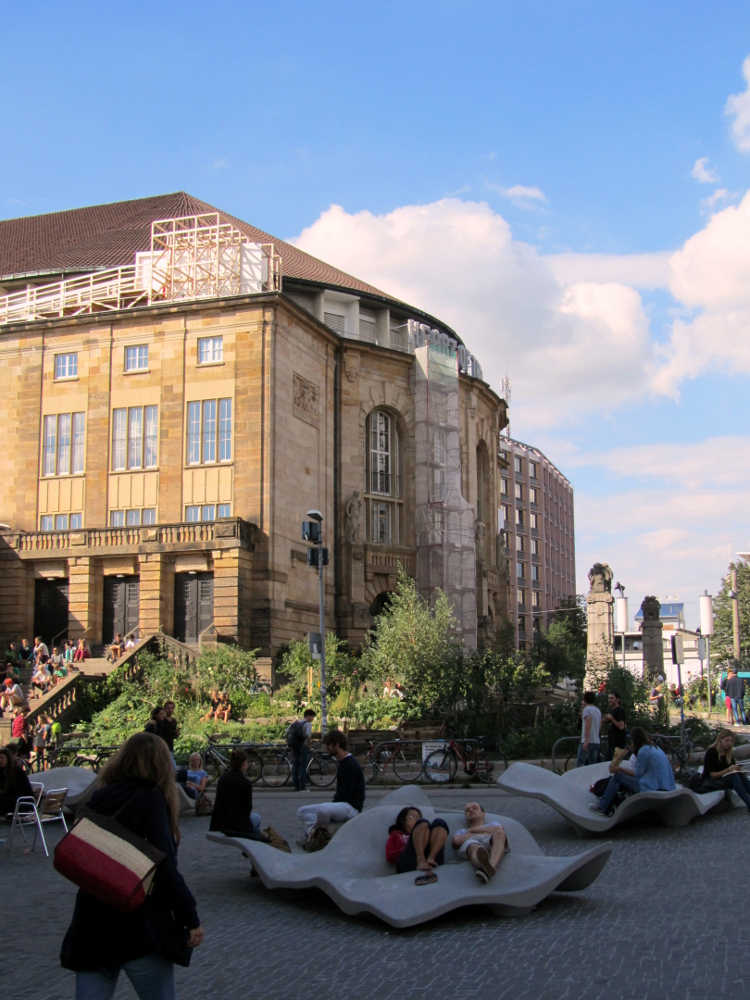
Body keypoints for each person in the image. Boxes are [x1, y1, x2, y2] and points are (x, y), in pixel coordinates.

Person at [60, 732, 203, 997]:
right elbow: (166, 867)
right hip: (138, 924)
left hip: (92, 921)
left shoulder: (100, 797)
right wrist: (189, 916)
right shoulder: (151, 799)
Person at [590, 726, 676, 815]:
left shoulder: (643, 751)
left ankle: (602, 807)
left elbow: (637, 774)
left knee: (617, 776)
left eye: (631, 741)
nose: (631, 744)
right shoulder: (656, 748)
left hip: (653, 788)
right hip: (668, 787)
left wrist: (620, 769)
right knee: (622, 776)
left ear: (635, 741)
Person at [297, 729, 365, 834]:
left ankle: (312, 832)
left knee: (323, 810)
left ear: (337, 745)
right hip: (342, 804)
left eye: (328, 745)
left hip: (351, 807)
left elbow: (344, 794)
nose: (326, 748)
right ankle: (321, 828)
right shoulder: (343, 762)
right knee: (301, 811)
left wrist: (332, 807)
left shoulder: (350, 764)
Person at [385, 806, 449, 885]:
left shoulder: (427, 832)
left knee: (440, 822)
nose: (417, 819)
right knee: (423, 823)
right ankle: (420, 860)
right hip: (410, 863)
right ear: (403, 821)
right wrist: (406, 847)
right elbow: (389, 856)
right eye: (413, 816)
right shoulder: (396, 835)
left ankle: (431, 857)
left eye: (418, 817)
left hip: (431, 860)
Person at [451, 801, 509, 884]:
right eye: (467, 810)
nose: (470, 810)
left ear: (483, 814)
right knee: (473, 846)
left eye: (474, 808)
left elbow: (499, 830)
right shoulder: (462, 831)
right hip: (472, 844)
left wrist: (472, 831)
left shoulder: (492, 824)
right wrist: (484, 833)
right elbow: (456, 841)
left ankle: (491, 866)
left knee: (500, 834)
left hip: (489, 840)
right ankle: (483, 864)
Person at [209, 749, 262, 836]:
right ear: (244, 763)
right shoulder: (246, 783)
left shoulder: (222, 778)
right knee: (257, 818)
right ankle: (253, 841)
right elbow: (247, 809)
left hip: (219, 823)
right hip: (236, 825)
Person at [699, 729, 750, 810]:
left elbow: (732, 768)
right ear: (720, 739)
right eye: (727, 740)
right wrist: (729, 770)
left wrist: (737, 769)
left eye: (731, 741)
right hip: (710, 782)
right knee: (733, 777)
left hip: (724, 780)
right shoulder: (712, 752)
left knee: (741, 776)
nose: (729, 743)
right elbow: (712, 775)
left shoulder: (728, 752)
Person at [0, 744, 34, 814]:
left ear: (8, 759)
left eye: (2, 758)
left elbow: (14, 790)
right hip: (11, 799)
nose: (0, 760)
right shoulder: (1, 770)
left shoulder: (16, 771)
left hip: (23, 800)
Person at [287, 709, 315, 792]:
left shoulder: (296, 722)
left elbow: (287, 731)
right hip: (303, 746)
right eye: (312, 716)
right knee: (303, 766)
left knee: (295, 766)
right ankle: (302, 787)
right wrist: (309, 744)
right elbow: (308, 735)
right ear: (308, 716)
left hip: (294, 746)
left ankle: (296, 787)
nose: (313, 719)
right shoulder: (308, 724)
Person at [576, 691, 602, 767]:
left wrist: (586, 741)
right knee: (593, 764)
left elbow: (588, 724)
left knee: (580, 763)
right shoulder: (598, 711)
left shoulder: (586, 710)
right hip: (596, 741)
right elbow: (600, 725)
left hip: (588, 741)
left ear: (585, 699)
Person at [603, 691, 627, 761]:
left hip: (617, 744)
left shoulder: (620, 710)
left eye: (611, 698)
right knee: (606, 763)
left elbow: (621, 726)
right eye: (608, 698)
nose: (609, 700)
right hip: (611, 743)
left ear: (617, 699)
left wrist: (612, 719)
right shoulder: (613, 711)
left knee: (617, 763)